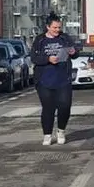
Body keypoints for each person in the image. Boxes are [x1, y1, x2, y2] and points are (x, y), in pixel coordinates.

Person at [30, 14, 80, 146]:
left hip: (63, 79)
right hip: (44, 80)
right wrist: (48, 59)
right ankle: (47, 134)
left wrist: (73, 52)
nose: (57, 30)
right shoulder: (40, 40)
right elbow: (34, 58)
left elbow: (75, 54)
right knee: (48, 108)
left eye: (59, 27)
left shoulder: (65, 38)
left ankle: (61, 130)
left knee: (64, 106)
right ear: (47, 27)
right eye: (54, 27)